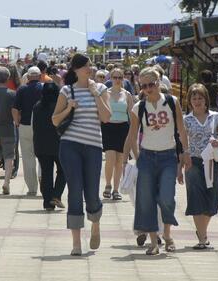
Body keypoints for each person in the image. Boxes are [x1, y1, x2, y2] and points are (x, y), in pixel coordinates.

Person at [122, 67, 191, 255]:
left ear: (159, 83)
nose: (148, 89)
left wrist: (185, 153)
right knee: (146, 200)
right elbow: (132, 135)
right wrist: (129, 159)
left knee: (167, 197)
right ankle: (154, 242)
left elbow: (181, 129)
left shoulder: (171, 101)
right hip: (147, 157)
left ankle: (167, 235)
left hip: (168, 156)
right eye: (143, 86)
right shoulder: (139, 107)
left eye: (151, 84)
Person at [52, 54, 111, 256]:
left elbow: (106, 117)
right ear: (76, 70)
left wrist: (95, 94)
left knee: (92, 193)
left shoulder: (101, 89)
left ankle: (95, 223)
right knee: (75, 191)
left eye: (91, 66)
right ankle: (76, 243)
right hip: (70, 145)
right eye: (86, 66)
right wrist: (69, 108)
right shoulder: (67, 91)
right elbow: (54, 120)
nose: (90, 69)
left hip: (93, 146)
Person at [182, 83, 218, 249]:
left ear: (206, 100)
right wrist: (180, 166)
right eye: (194, 98)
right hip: (193, 162)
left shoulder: (216, 117)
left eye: (200, 98)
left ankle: (202, 230)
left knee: (212, 198)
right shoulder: (186, 120)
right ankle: (202, 238)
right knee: (195, 198)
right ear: (189, 101)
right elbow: (182, 144)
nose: (197, 101)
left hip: (212, 162)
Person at [33, 83, 66, 211]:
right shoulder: (60, 107)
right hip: (59, 144)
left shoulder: (37, 106)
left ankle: (48, 202)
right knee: (63, 171)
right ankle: (56, 195)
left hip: (41, 144)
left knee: (46, 173)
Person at [102, 68, 133, 200]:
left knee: (120, 161)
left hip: (123, 127)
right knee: (110, 158)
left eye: (120, 77)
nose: (117, 80)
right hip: (108, 126)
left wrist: (133, 132)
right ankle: (108, 185)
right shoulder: (105, 93)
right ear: (111, 78)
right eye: (115, 77)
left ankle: (116, 189)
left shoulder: (127, 94)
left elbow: (131, 114)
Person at [12, 66, 43, 196]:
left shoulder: (22, 89)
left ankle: (32, 187)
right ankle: (44, 180)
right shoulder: (45, 88)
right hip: (42, 127)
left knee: (27, 156)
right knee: (43, 156)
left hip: (25, 125)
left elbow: (15, 109)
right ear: (40, 76)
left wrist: (16, 122)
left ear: (28, 77)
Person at [0, 67, 16, 195]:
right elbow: (14, 112)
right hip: (8, 129)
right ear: (8, 78)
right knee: (9, 156)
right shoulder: (12, 93)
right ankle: (6, 182)